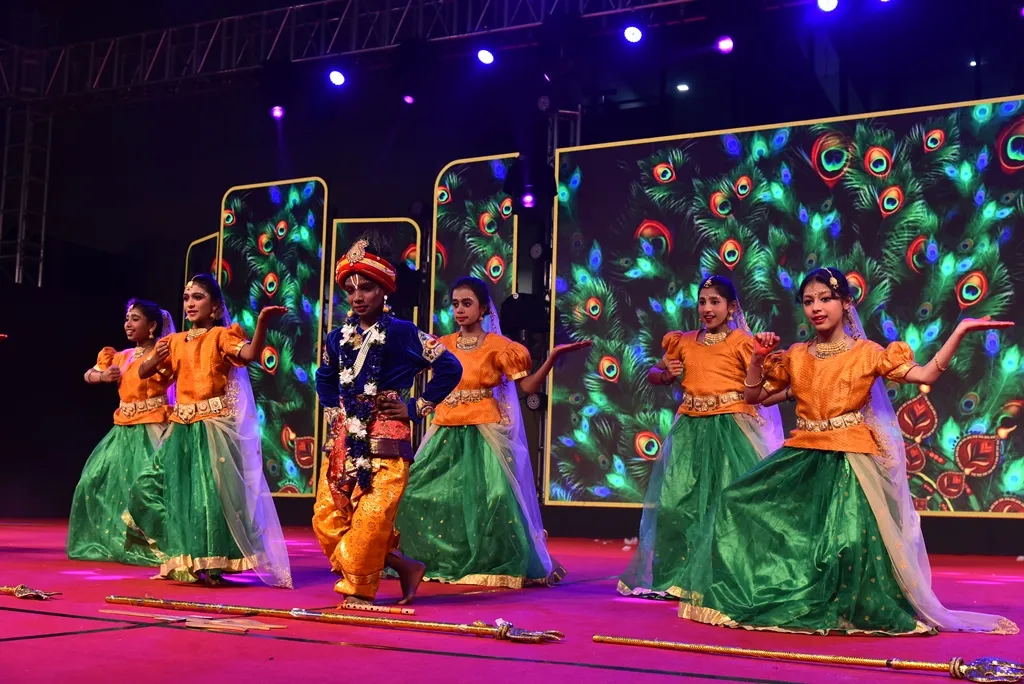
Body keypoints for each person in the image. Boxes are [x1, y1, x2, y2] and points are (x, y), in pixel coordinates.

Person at [675, 267, 1018, 636]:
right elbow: (754, 397)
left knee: (846, 543)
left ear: (846, 303)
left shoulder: (867, 353)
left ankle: (845, 605)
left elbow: (925, 375)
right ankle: (770, 590)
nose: (816, 308)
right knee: (736, 501)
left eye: (826, 299)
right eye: (809, 301)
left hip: (851, 459)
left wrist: (960, 330)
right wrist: (758, 358)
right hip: (803, 455)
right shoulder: (796, 356)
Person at [395, 276, 590, 588]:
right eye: (455, 304)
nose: (460, 310)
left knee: (495, 497)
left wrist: (552, 357)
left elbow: (526, 387)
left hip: (485, 432)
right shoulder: (442, 345)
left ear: (484, 308)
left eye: (467, 303)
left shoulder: (500, 347)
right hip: (445, 430)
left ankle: (489, 562)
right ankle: (432, 560)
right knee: (415, 492)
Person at [314, 238, 463, 605]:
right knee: (327, 520)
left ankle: (359, 590)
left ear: (384, 289)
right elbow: (324, 377)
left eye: (366, 288)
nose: (357, 297)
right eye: (350, 290)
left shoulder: (403, 333)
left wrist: (416, 407)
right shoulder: (337, 338)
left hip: (387, 438)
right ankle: (403, 565)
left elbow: (449, 366)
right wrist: (335, 414)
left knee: (370, 520)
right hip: (345, 442)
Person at [618, 275, 785, 598]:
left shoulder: (742, 342)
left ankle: (726, 579)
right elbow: (654, 373)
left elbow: (762, 384)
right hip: (690, 430)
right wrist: (667, 375)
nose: (707, 309)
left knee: (725, 504)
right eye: (702, 302)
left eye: (715, 302)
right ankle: (676, 579)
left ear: (731, 307)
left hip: (730, 430)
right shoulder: (682, 342)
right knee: (677, 503)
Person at [126, 274, 293, 588]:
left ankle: (212, 563)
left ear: (215, 306)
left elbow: (249, 355)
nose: (190, 303)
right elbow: (145, 372)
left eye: (198, 297)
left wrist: (262, 323)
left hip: (211, 428)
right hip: (180, 429)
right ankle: (181, 551)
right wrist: (153, 358)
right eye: (187, 298)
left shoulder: (221, 336)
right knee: (148, 489)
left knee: (208, 498)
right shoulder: (174, 342)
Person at [67, 299, 175, 565]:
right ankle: (110, 540)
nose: (128, 324)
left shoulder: (163, 353)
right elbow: (88, 374)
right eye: (127, 318)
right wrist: (102, 377)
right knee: (90, 481)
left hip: (151, 428)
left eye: (135, 319)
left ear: (152, 326)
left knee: (143, 488)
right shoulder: (119, 356)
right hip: (122, 429)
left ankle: (154, 543)